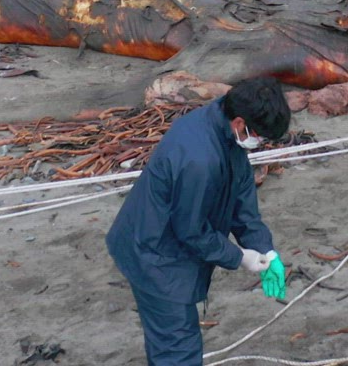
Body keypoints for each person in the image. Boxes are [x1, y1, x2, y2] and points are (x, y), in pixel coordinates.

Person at [107, 77, 291, 365]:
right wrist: (239, 256)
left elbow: (241, 201)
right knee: (177, 348)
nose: (261, 143)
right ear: (240, 123)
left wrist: (265, 249)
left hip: (171, 242)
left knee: (173, 341)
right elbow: (191, 231)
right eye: (261, 136)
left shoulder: (224, 126)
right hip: (155, 255)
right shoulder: (199, 158)